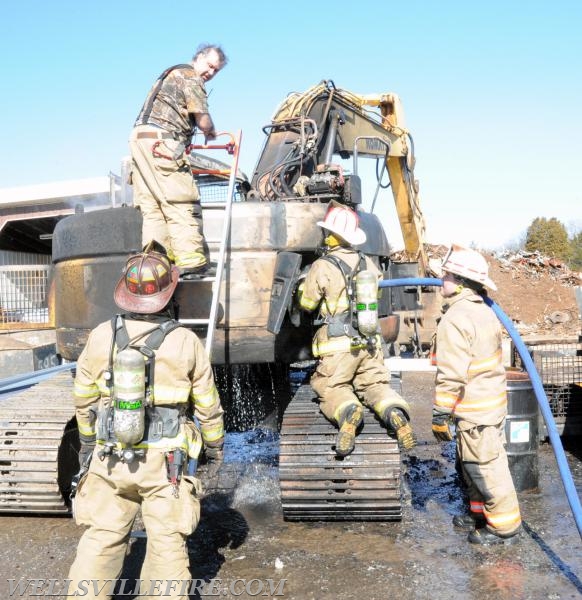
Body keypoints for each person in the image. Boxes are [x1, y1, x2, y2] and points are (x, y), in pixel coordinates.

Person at [67, 242, 225, 599]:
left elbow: (83, 398)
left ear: (126, 292)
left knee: (102, 538)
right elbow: (207, 404)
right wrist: (215, 446)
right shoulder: (186, 341)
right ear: (168, 294)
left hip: (110, 457)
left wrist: (89, 444)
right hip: (165, 464)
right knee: (166, 541)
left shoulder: (101, 336)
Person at [298, 204, 416, 457]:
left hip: (339, 349)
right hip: (371, 343)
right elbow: (378, 295)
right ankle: (394, 412)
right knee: (374, 384)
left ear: (331, 236)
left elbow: (307, 304)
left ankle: (349, 413)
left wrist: (301, 289)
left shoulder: (323, 265)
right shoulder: (369, 264)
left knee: (332, 387)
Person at [431, 243, 522, 545]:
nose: (440, 279)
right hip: (485, 405)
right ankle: (478, 513)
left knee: (485, 467)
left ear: (459, 282)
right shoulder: (482, 310)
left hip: (475, 409)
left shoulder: (456, 318)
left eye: (446, 275)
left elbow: (452, 374)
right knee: (470, 463)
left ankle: (504, 526)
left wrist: (440, 414)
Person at [129, 44, 227, 278]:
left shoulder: (169, 74)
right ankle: (192, 261)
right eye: (210, 66)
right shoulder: (190, 76)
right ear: (199, 58)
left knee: (153, 206)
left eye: (216, 71)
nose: (211, 73)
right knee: (180, 199)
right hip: (163, 141)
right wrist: (211, 131)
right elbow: (203, 121)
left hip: (140, 140)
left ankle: (155, 265)